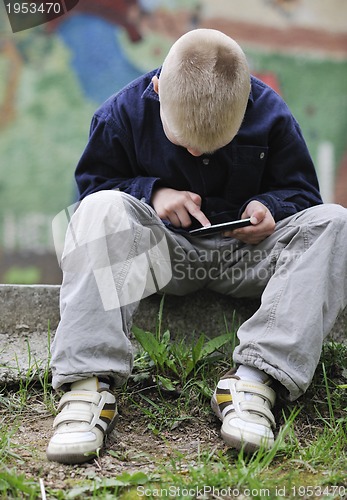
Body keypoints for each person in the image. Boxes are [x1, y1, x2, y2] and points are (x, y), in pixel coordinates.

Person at [47, 28, 347, 464]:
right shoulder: (120, 114)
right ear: (157, 89)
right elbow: (93, 193)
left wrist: (269, 207)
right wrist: (151, 194)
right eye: (180, 140)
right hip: (156, 259)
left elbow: (303, 195)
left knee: (335, 221)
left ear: (245, 103)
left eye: (211, 145)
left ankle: (255, 382)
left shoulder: (271, 113)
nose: (193, 150)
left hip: (245, 260)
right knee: (101, 208)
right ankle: (86, 385)